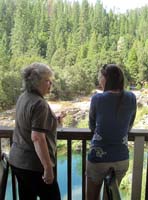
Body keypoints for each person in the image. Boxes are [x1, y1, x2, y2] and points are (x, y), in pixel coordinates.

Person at [9, 62, 65, 200]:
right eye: (47, 81)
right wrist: (47, 168)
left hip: (17, 162)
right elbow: (37, 137)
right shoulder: (40, 104)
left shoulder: (24, 97)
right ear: (36, 82)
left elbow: (29, 124)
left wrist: (54, 120)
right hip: (34, 166)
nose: (50, 84)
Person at [86, 64, 137, 200]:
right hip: (121, 158)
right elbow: (129, 126)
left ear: (106, 79)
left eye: (100, 77)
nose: (99, 80)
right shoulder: (131, 97)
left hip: (98, 157)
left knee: (91, 197)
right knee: (110, 197)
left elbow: (92, 126)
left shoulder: (97, 99)